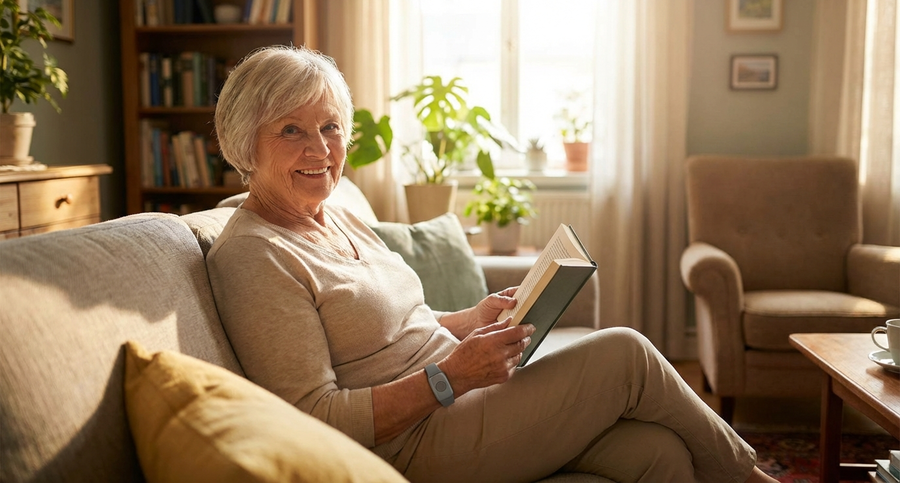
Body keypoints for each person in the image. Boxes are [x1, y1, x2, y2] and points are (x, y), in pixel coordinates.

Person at [206, 45, 778, 483]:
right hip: (410, 440)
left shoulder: (332, 213)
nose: (321, 149)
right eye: (291, 130)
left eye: (330, 126)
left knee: (659, 453)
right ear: (243, 143)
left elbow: (396, 325)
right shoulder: (255, 255)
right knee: (625, 353)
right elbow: (315, 415)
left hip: (458, 398)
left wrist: (470, 320)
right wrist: (452, 376)